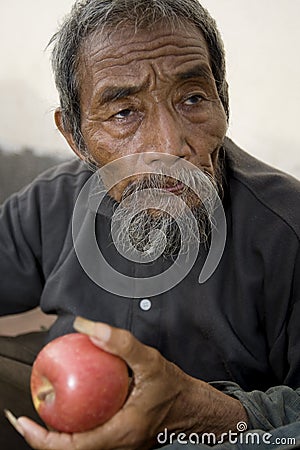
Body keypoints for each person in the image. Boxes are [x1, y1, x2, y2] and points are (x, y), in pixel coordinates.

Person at [1, 1, 299, 449]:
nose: (171, 145)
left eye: (193, 98)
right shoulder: (50, 203)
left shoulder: (286, 229)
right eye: (124, 113)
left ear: (223, 101)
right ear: (75, 136)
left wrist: (210, 416)